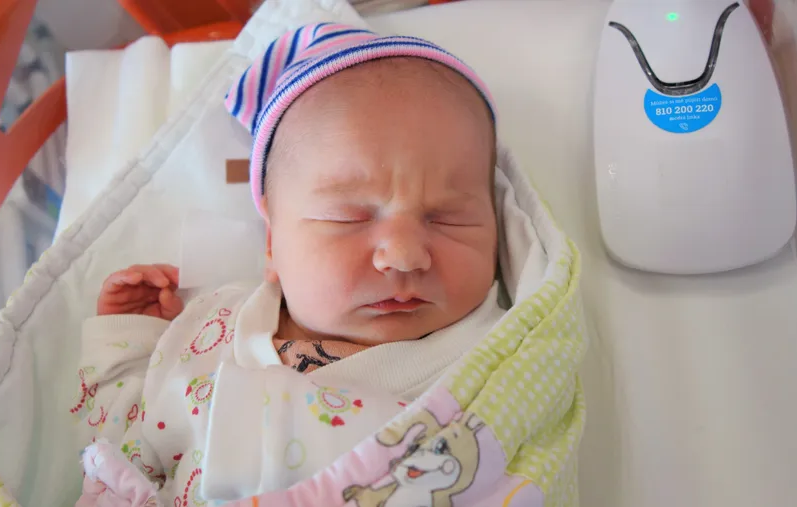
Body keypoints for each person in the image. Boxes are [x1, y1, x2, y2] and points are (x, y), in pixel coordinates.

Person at [73, 23, 505, 506]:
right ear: (272, 245)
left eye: (447, 218)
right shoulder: (211, 331)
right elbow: (112, 447)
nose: (404, 255)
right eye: (349, 218)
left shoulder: (499, 363)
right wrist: (131, 341)